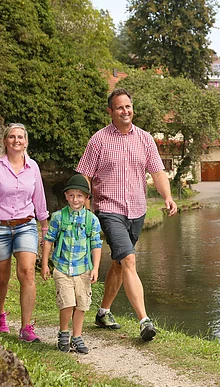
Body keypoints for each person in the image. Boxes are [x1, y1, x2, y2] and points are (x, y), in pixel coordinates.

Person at [76, 88, 177, 341]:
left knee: (121, 264)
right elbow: (84, 175)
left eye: (128, 106)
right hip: (108, 209)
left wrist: (167, 197)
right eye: (119, 107)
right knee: (129, 260)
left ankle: (103, 311)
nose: (125, 111)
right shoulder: (98, 140)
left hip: (137, 210)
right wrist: (84, 205)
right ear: (110, 111)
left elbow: (157, 171)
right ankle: (144, 321)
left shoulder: (145, 139)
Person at [0, 123, 49, 342]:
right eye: (12, 137)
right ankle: (0, 314)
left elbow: (39, 198)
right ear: (5, 141)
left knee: (27, 272)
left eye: (21, 137)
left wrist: (44, 228)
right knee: (2, 277)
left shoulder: (32, 167)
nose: (17, 140)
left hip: (26, 224)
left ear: (26, 142)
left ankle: (26, 327)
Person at [40, 174, 102, 354]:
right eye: (72, 195)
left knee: (81, 304)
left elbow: (96, 245)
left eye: (80, 195)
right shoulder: (59, 218)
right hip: (62, 268)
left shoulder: (92, 220)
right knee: (67, 303)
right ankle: (64, 333)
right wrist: (45, 264)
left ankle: (77, 337)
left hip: (83, 269)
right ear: (66, 196)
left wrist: (96, 267)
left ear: (86, 198)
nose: (76, 199)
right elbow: (49, 240)